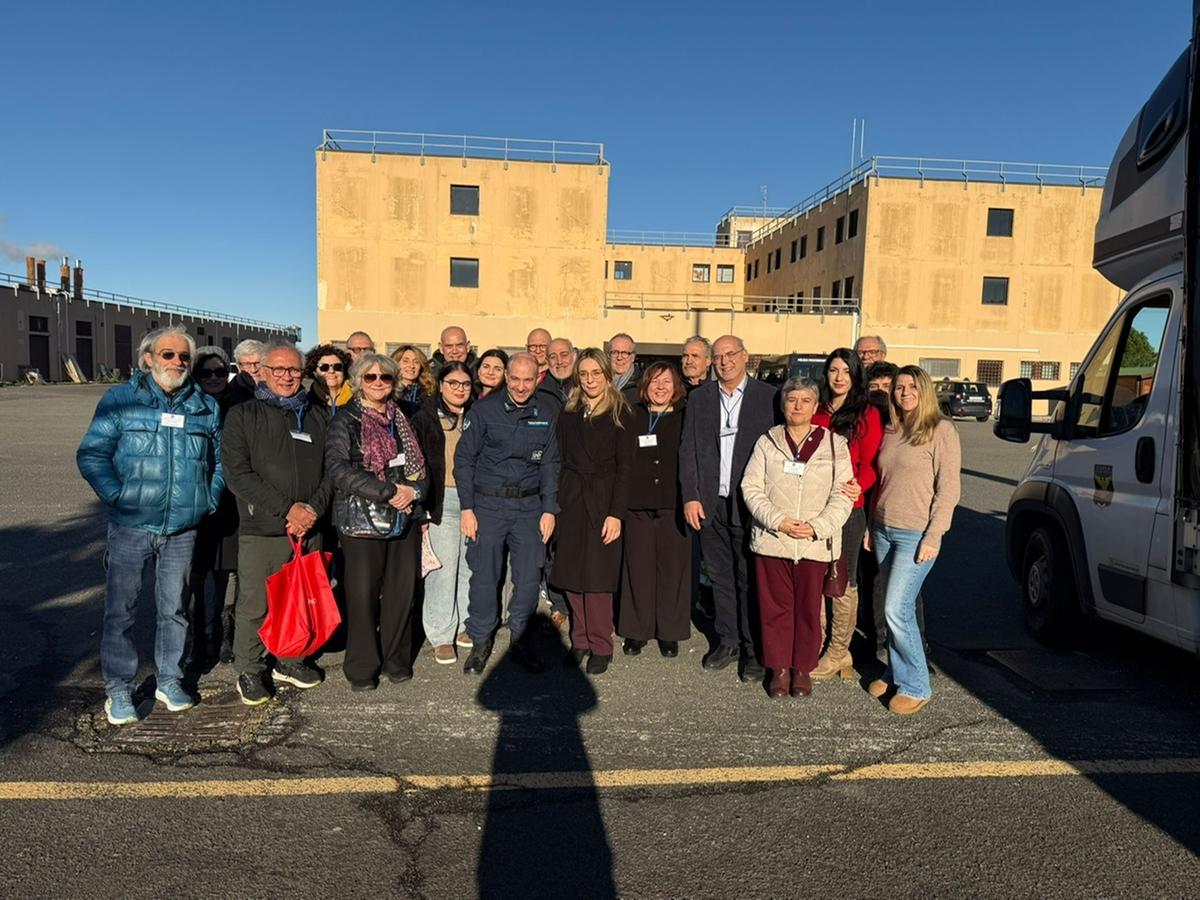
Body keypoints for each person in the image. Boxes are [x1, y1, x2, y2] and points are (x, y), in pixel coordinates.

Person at [77, 325, 223, 725]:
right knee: (120, 611)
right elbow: (92, 454)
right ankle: (119, 689)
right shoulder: (121, 400)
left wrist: (206, 500)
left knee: (173, 609)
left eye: (183, 357)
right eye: (168, 355)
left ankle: (170, 679)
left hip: (182, 529)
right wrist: (117, 495)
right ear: (148, 358)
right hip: (131, 526)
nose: (177, 363)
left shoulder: (203, 406)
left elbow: (219, 461)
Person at [222, 339, 333, 706]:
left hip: (308, 527)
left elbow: (332, 470)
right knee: (255, 603)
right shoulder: (244, 415)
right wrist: (289, 509)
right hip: (264, 528)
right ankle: (250, 668)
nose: (287, 377)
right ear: (263, 372)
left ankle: (290, 658)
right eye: (279, 370)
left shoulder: (317, 414)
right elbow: (238, 474)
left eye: (294, 370)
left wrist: (312, 510)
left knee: (299, 599)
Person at [741, 377, 852, 697]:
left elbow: (843, 495)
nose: (798, 406)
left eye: (805, 400)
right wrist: (779, 521)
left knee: (807, 610)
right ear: (782, 405)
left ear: (816, 406)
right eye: (791, 400)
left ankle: (802, 668)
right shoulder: (767, 441)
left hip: (814, 543)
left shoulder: (835, 445)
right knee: (774, 609)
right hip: (774, 540)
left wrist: (818, 526)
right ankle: (778, 668)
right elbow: (751, 487)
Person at [326, 352, 431, 690]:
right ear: (358, 381)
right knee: (362, 595)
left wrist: (413, 492)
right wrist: (388, 491)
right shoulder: (346, 420)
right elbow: (339, 470)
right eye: (370, 378)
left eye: (385, 377)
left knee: (402, 594)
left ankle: (395, 660)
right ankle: (361, 667)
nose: (378, 383)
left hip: (405, 517)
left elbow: (422, 466)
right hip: (362, 518)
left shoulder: (404, 417)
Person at [679, 334, 778, 682]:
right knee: (720, 576)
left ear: (745, 356)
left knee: (748, 578)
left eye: (730, 354)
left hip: (750, 503)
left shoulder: (768, 398)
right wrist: (690, 495)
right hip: (710, 503)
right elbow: (688, 449)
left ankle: (753, 648)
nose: (724, 362)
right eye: (718, 357)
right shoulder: (701, 398)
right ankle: (728, 640)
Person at [455, 352, 560, 675]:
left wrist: (549, 509)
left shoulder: (546, 412)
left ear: (536, 379)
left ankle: (521, 639)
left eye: (528, 380)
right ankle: (482, 640)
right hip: (488, 506)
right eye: (515, 379)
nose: (520, 386)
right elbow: (464, 462)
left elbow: (551, 464)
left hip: (529, 508)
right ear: (506, 376)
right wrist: (467, 508)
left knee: (528, 579)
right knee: (485, 577)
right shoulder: (484, 410)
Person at [867, 365, 961, 715]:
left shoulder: (940, 431)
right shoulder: (892, 430)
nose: (904, 393)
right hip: (883, 529)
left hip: (915, 534)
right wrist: (869, 527)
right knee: (892, 610)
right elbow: (884, 483)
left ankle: (917, 684)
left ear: (924, 391)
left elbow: (948, 489)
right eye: (899, 387)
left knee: (897, 609)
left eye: (911, 387)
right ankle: (895, 672)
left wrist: (934, 534)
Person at [550, 349, 633, 675]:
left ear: (606, 375)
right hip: (571, 499)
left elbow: (626, 468)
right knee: (572, 573)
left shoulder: (620, 411)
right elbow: (559, 459)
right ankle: (580, 639)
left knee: (598, 578)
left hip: (603, 501)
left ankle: (601, 643)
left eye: (595, 373)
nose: (589, 380)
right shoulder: (568, 412)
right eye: (583, 374)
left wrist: (616, 513)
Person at [810, 349, 883, 680]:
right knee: (816, 575)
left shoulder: (866, 413)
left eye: (845, 371)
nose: (839, 377)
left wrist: (860, 485)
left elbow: (871, 464)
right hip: (814, 505)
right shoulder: (817, 410)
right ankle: (819, 643)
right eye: (833, 370)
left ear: (855, 376)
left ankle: (839, 651)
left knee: (843, 578)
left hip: (848, 509)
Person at [619, 362, 690, 659]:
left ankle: (669, 632)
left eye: (667, 382)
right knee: (638, 569)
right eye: (655, 382)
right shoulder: (632, 416)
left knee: (673, 572)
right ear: (644, 386)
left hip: (673, 505)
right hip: (638, 505)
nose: (661, 388)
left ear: (676, 388)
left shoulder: (686, 418)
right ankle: (637, 631)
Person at [412, 362, 475, 664]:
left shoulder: (477, 415)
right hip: (441, 498)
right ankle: (440, 633)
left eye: (465, 383)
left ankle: (465, 626)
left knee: (469, 565)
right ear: (440, 385)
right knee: (443, 569)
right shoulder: (424, 417)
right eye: (453, 383)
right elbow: (417, 464)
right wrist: (421, 509)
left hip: (472, 499)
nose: (460, 389)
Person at [186, 346, 243, 669]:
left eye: (220, 372)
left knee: (229, 574)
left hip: (231, 504)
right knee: (197, 576)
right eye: (206, 372)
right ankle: (198, 639)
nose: (214, 378)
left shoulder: (240, 406)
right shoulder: (190, 407)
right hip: (197, 501)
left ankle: (225, 635)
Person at [305, 344, 353, 415]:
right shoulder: (306, 403)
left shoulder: (357, 400)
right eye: (324, 367)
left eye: (337, 367)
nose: (331, 371)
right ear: (314, 372)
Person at [392, 344, 436, 417]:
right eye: (406, 361)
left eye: (416, 362)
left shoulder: (429, 392)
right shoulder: (388, 392)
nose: (411, 366)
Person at [229, 338, 266, 403]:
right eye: (247, 364)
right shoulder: (229, 395)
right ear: (238, 366)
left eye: (258, 363)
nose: (253, 370)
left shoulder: (277, 390)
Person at [542, 337, 576, 403]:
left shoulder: (585, 385)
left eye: (564, 355)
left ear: (574, 356)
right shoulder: (540, 391)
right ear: (547, 361)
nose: (559, 362)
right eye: (553, 357)